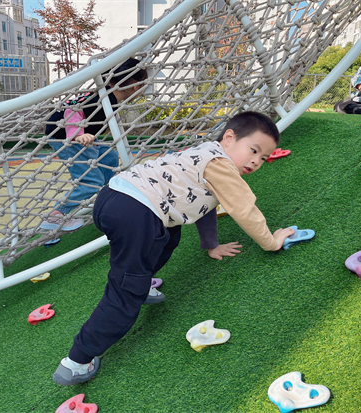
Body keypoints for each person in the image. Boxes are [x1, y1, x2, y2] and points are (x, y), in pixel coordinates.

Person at [52, 111, 296, 386]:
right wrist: (270, 242)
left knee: (168, 235)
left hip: (114, 197)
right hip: (137, 211)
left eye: (263, 158)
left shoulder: (204, 152)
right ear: (229, 138)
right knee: (126, 289)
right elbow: (244, 209)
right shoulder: (222, 165)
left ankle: (142, 283)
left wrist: (211, 245)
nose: (256, 161)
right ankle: (77, 361)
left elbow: (204, 204)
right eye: (253, 150)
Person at [41, 58, 148, 232]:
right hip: (66, 137)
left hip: (81, 135)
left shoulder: (106, 94)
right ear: (136, 87)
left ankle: (110, 197)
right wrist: (77, 134)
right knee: (91, 181)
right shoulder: (104, 99)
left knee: (109, 156)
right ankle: (56, 215)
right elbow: (72, 110)